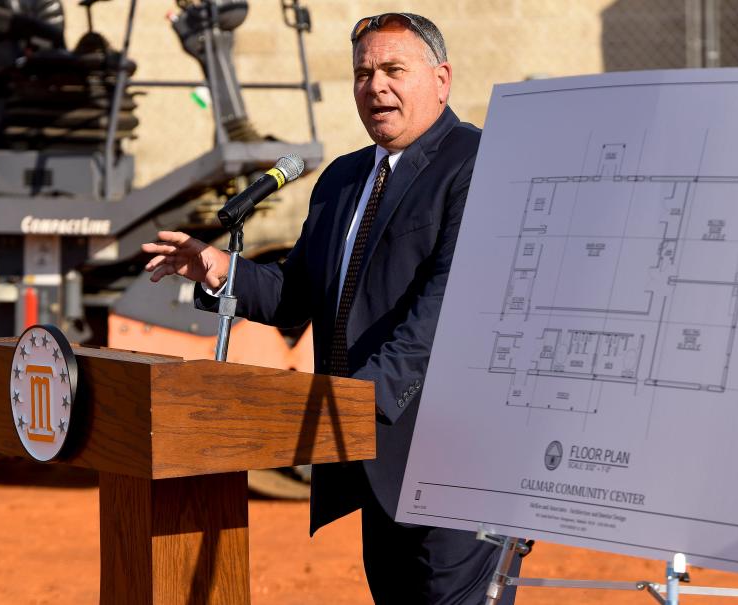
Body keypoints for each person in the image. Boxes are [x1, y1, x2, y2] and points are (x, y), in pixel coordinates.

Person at [142, 12, 519, 604]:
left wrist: (358, 404)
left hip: (456, 461)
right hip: (373, 459)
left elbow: (448, 305)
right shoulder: (343, 178)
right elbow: (298, 295)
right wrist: (223, 270)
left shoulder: (478, 162)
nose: (376, 87)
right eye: (363, 73)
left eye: (394, 69)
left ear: (441, 79)